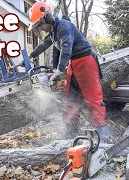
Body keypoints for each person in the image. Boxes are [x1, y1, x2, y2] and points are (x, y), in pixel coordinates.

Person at [27, 1, 110, 141]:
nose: (40, 28)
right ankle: (70, 133)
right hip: (73, 64)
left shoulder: (64, 26)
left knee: (93, 99)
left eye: (40, 25)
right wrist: (30, 56)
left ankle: (102, 135)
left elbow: (66, 48)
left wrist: (59, 70)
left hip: (85, 61)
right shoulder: (53, 32)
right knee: (70, 99)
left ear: (47, 18)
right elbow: (44, 44)